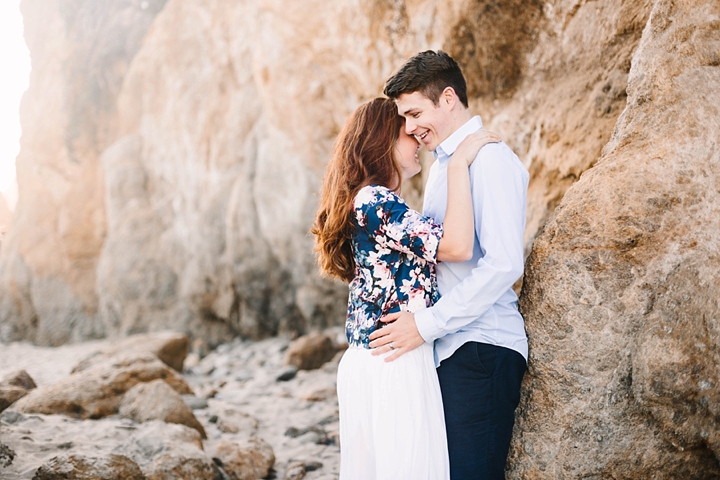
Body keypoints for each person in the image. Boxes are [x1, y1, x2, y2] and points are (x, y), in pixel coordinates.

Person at [312, 97, 501, 480]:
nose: (417, 139)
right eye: (407, 131)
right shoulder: (375, 201)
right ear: (384, 141)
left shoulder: (362, 202)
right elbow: (457, 247)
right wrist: (459, 165)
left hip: (374, 361)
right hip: (393, 363)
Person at [368, 50, 529, 479]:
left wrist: (426, 325)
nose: (409, 128)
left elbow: (504, 264)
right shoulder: (443, 167)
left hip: (482, 346)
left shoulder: (490, 159)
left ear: (449, 98)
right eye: (404, 118)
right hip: (454, 346)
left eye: (416, 112)